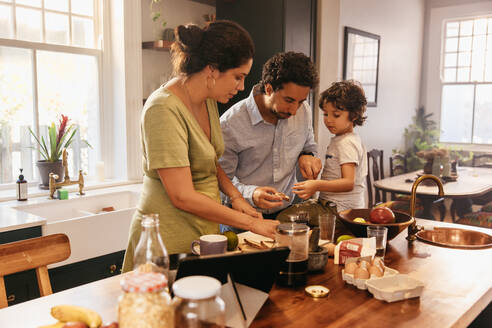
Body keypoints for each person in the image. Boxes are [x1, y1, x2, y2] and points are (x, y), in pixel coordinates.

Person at [122, 21, 279, 272]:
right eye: (238, 77)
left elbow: (207, 159)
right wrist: (250, 224)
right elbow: (181, 195)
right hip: (168, 236)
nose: (241, 87)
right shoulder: (162, 109)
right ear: (212, 70)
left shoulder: (207, 100)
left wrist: (236, 196)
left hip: (203, 230)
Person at [219, 51, 321, 221]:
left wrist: (307, 155)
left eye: (301, 101)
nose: (295, 110)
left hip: (288, 214)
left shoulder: (304, 111)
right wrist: (251, 194)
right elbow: (219, 183)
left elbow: (308, 145)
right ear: (268, 88)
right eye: (289, 100)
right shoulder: (230, 125)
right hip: (242, 217)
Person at [292, 80, 368, 212]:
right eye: (326, 114)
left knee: (286, 217)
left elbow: (348, 183)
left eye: (336, 115)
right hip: (333, 205)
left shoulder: (347, 143)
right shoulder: (342, 139)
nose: (328, 120)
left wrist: (316, 185)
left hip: (340, 210)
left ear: (354, 115)